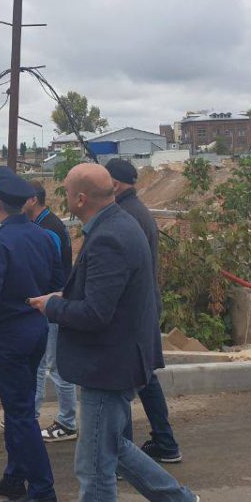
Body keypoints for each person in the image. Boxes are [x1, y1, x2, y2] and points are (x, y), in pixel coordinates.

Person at [29, 163, 199, 502]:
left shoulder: (109, 237)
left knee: (93, 466)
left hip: (109, 364)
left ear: (80, 198)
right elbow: (104, 296)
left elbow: (96, 313)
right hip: (117, 358)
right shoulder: (117, 224)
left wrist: (53, 307)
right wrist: (63, 295)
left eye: (66, 190)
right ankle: (177, 500)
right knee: (111, 446)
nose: (64, 196)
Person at [0, 166, 63, 502]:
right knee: (17, 406)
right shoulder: (43, 236)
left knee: (20, 413)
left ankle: (42, 490)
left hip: (10, 333)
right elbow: (55, 281)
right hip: (36, 327)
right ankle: (15, 475)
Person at [104, 158, 182, 465]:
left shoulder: (125, 216)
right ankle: (165, 442)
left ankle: (122, 455)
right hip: (144, 304)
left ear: (114, 184)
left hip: (133, 308)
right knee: (144, 376)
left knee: (124, 376)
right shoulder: (137, 211)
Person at [26, 181, 78, 443]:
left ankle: (67, 422)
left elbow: (50, 269)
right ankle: (30, 415)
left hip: (54, 304)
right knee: (38, 363)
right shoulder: (44, 224)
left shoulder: (49, 229)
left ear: (33, 200)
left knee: (56, 365)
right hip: (47, 303)